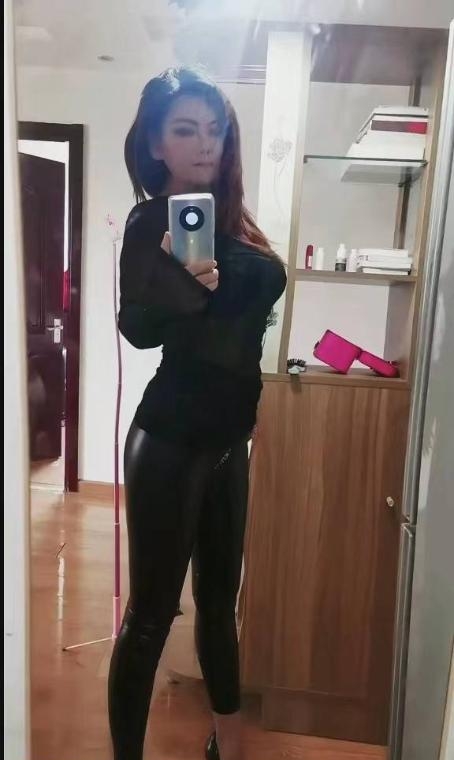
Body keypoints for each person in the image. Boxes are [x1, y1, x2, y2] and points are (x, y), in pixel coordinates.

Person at [108, 67, 287, 760]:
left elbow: (241, 334)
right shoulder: (154, 219)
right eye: (185, 130)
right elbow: (137, 327)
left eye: (214, 129)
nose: (205, 143)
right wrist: (179, 283)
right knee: (152, 617)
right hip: (171, 437)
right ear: (157, 144)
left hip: (228, 441)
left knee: (220, 605)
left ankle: (229, 746)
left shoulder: (231, 219)